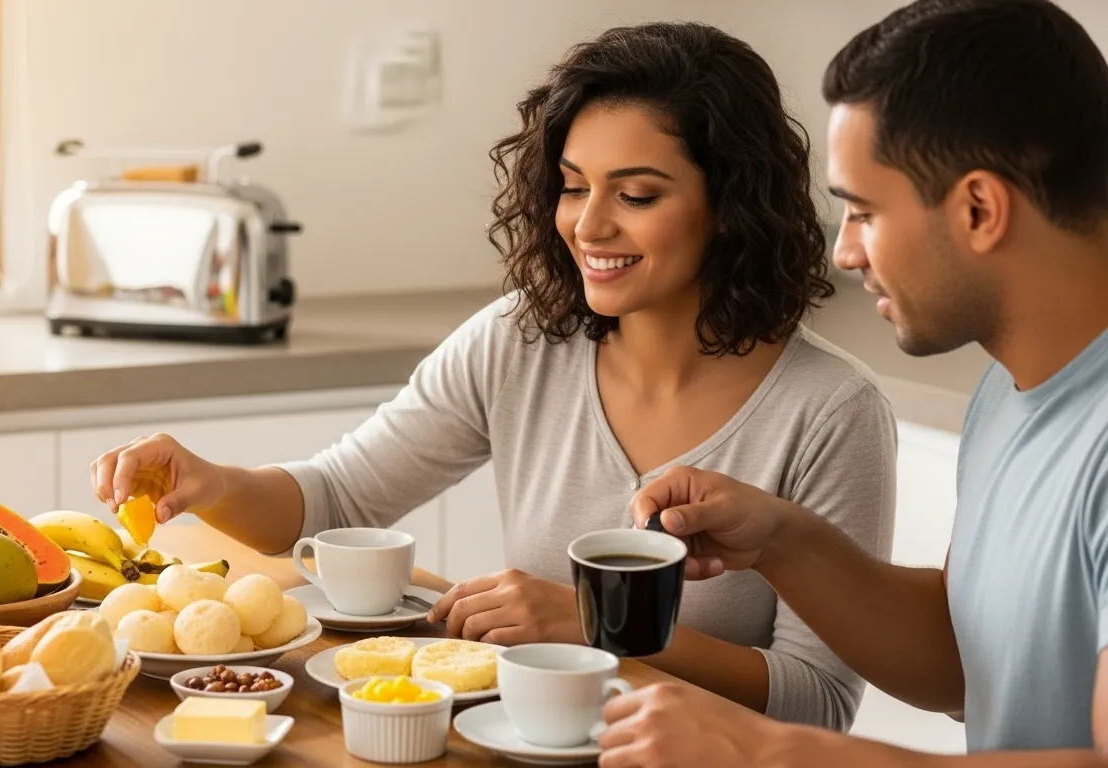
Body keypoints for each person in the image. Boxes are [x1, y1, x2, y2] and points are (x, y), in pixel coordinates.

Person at [90, 22, 897, 730]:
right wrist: (212, 483)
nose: (589, 224)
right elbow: (339, 497)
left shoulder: (829, 410)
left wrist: (597, 627)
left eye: (636, 195)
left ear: (731, 204)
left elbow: (817, 700)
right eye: (573, 187)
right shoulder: (522, 341)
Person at [593, 0, 1108, 765]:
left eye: (864, 212)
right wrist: (782, 541)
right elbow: (970, 666)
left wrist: (764, 752)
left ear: (979, 208)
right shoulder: (1011, 389)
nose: (846, 252)